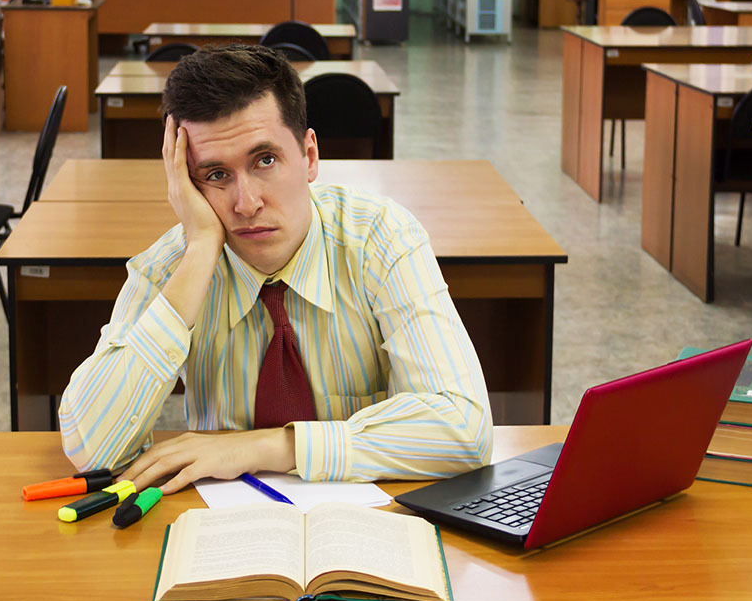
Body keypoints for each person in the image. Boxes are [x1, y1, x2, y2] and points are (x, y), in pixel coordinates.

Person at [59, 44, 492, 494]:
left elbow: (465, 428)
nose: (246, 204)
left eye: (264, 161)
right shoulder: (172, 267)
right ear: (184, 183)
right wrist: (203, 245)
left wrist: (268, 447)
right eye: (215, 175)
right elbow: (92, 450)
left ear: (309, 156)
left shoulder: (379, 238)